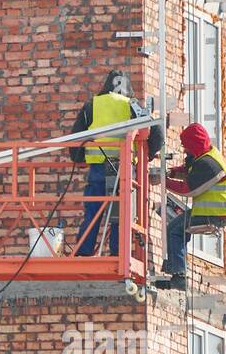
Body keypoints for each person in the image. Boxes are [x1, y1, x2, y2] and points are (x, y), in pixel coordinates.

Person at [68, 70, 162, 256]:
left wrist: (78, 158)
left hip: (98, 167)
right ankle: (118, 253)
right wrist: (147, 155)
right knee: (121, 211)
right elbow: (157, 133)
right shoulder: (132, 105)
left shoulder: (93, 104)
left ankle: (84, 251)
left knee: (94, 209)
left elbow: (76, 137)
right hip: (125, 168)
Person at [157, 122, 226, 289]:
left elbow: (189, 190)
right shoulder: (204, 155)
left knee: (175, 230)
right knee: (176, 228)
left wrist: (164, 182)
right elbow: (189, 170)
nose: (184, 150)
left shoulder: (209, 165)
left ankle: (178, 275)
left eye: (186, 146)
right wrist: (170, 172)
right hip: (211, 211)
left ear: (193, 145)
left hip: (215, 214)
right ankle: (176, 269)